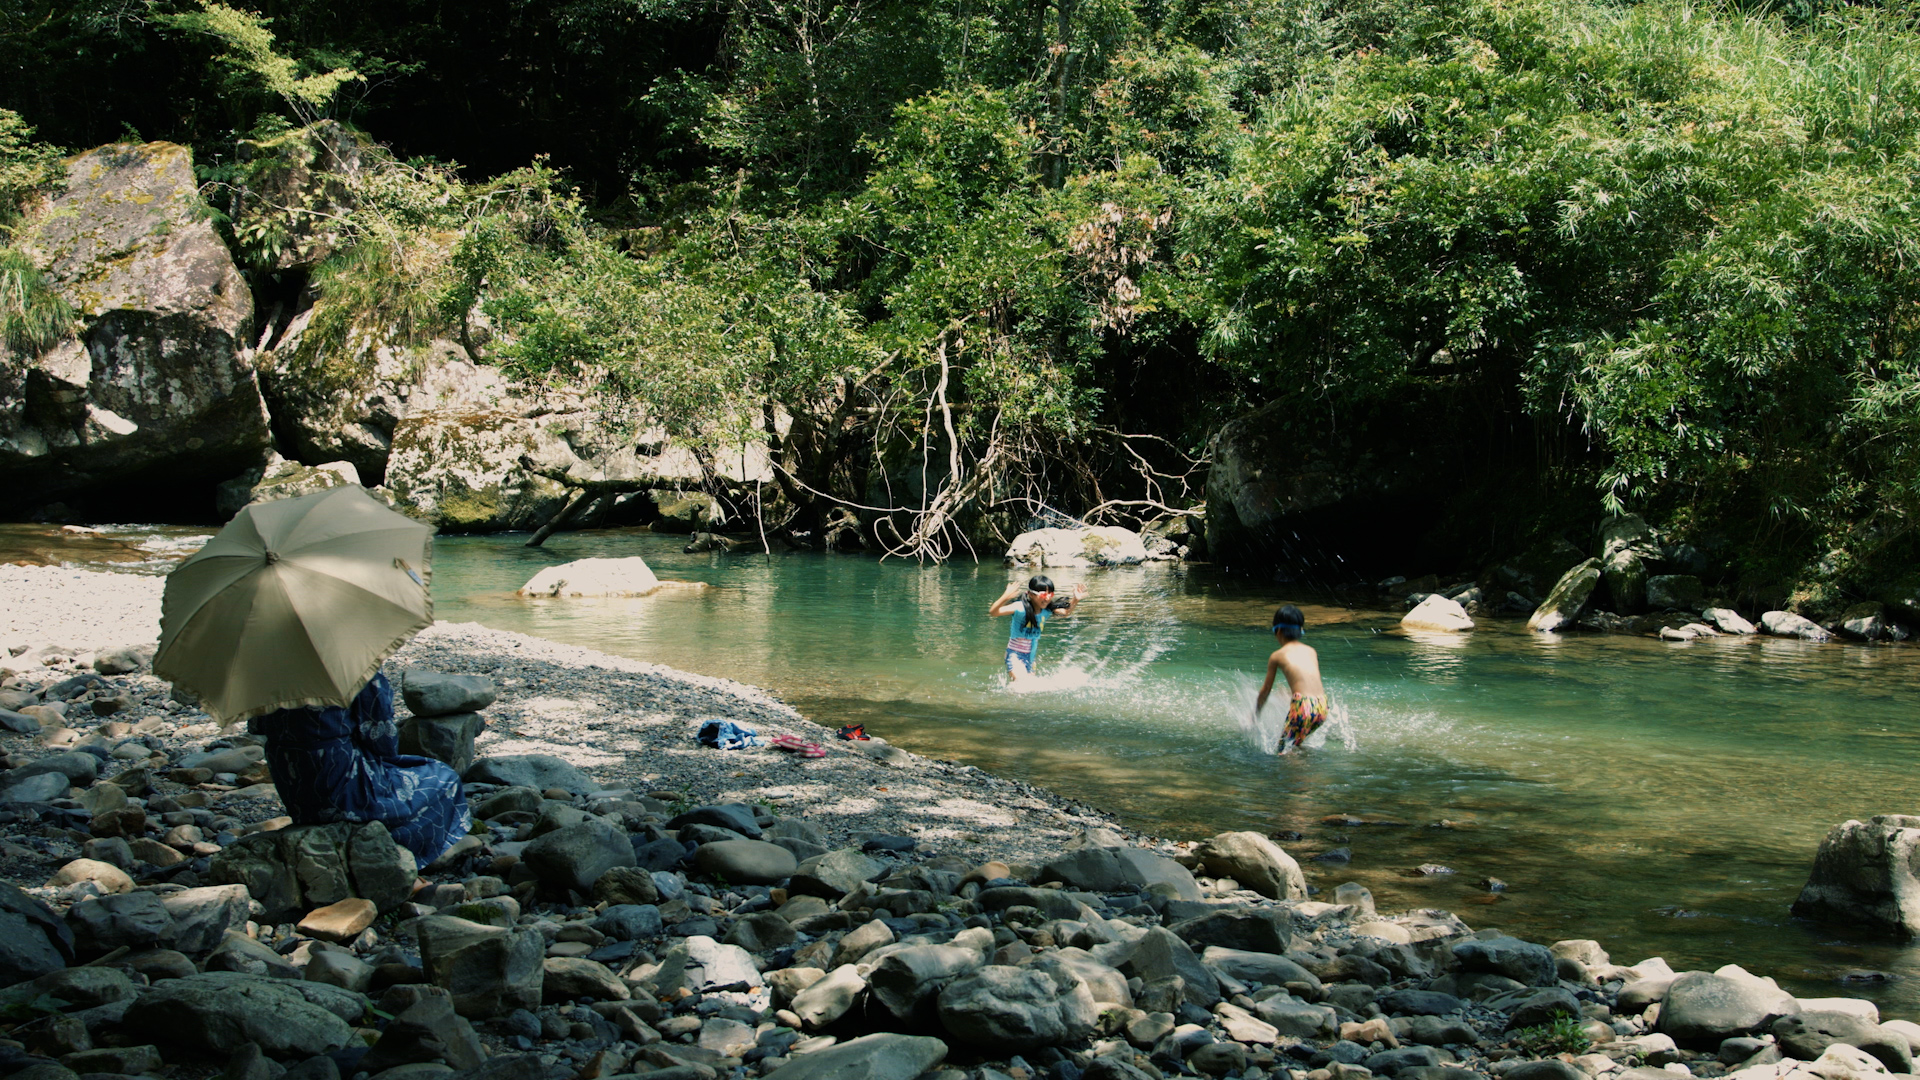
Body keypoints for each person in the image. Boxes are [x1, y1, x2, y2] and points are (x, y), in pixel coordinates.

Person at [250, 669, 472, 865]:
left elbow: (257, 726)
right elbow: (381, 739)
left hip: (292, 780)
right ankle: (400, 854)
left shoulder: (271, 669)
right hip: (338, 778)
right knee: (443, 777)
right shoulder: (353, 665)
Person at [1254, 603, 1329, 754]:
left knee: (1283, 751)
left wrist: (1255, 714)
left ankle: (1302, 777)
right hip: (1322, 705)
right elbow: (1309, 682)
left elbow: (1265, 690)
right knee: (1295, 744)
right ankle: (1306, 770)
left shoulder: (1277, 655)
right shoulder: (1311, 651)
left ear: (1278, 630)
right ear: (1301, 630)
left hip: (1303, 707)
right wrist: (1289, 694)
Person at [989, 574, 1086, 681]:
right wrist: (1006, 596)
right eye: (1044, 594)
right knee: (1021, 683)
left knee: (1029, 689)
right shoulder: (1019, 607)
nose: (1048, 598)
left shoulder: (1046, 611)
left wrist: (1075, 599)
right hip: (1014, 655)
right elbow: (993, 612)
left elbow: (1065, 613)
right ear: (1031, 594)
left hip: (1031, 657)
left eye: (1051, 594)